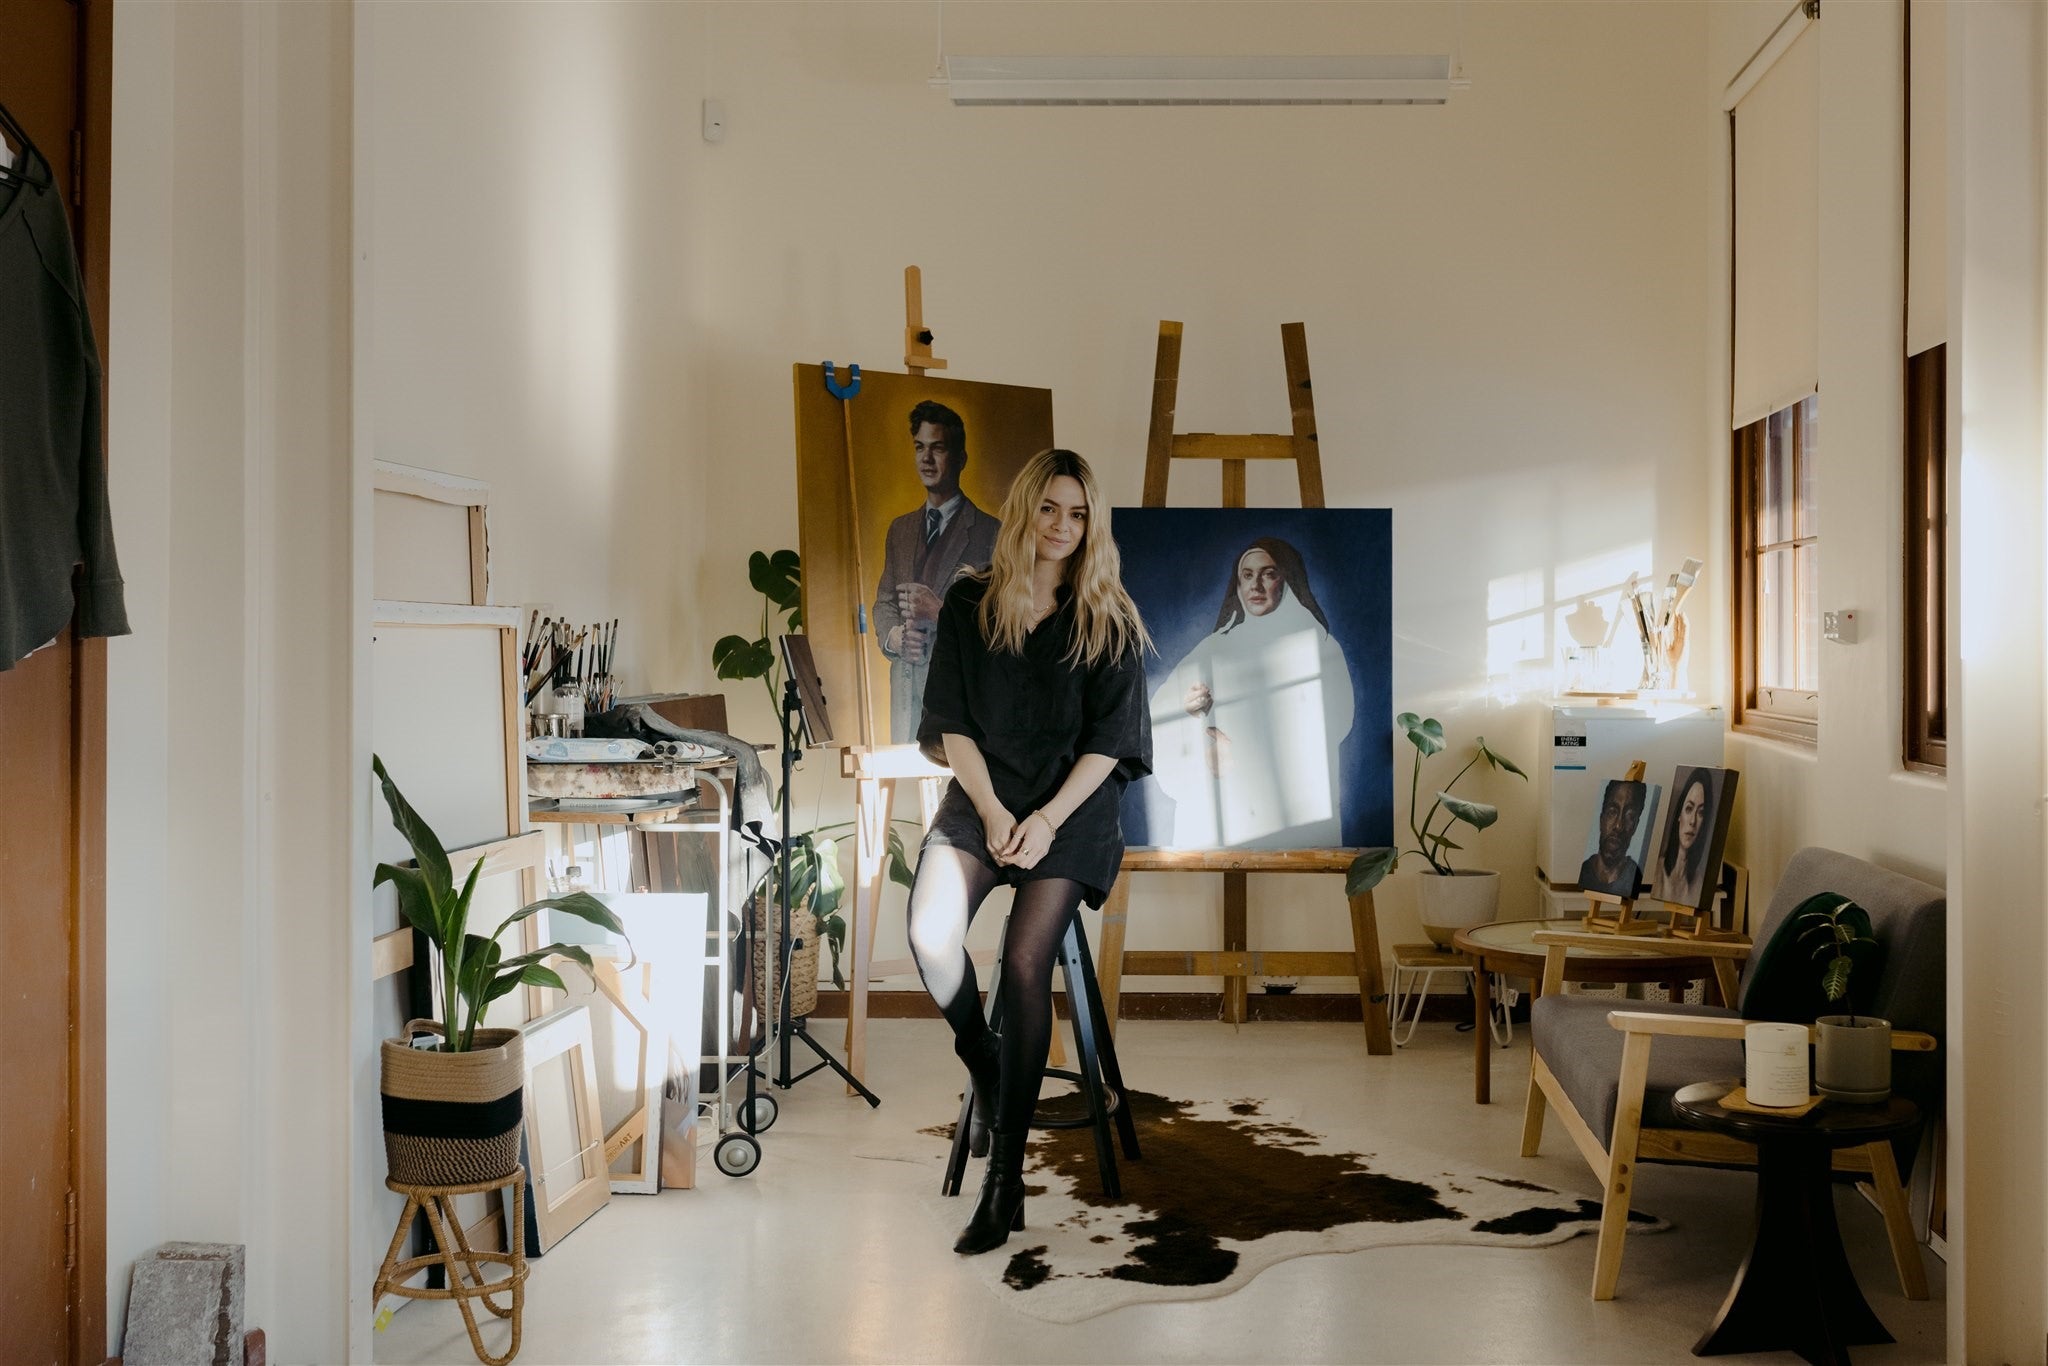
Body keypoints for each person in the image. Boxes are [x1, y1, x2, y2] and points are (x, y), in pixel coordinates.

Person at [906, 448, 1151, 1256]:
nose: (1061, 527)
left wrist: (1043, 821)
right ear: (1022, 510)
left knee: (1020, 966)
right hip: (985, 797)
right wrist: (994, 807)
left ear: (1093, 524)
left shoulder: (1108, 616)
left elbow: (1110, 747)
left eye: (1078, 513)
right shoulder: (972, 602)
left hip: (1072, 811)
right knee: (930, 933)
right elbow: (953, 726)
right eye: (1049, 508)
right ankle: (984, 1059)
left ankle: (1004, 1180)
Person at [1142, 538, 1354, 849]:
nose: (1255, 585)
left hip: (1290, 811)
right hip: (1224, 808)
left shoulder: (1319, 645)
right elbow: (1159, 712)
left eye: (1269, 573)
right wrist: (1186, 712)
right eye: (1247, 575)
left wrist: (1239, 748)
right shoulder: (1215, 646)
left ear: (1287, 580)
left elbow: (1335, 724)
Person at [873, 400, 1001, 743]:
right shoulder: (900, 529)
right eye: (920, 448)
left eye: (938, 448)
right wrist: (894, 638)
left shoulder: (992, 533)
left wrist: (941, 611)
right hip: (905, 690)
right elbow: (885, 602)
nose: (926, 459)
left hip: (961, 692)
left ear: (960, 459)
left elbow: (1000, 621)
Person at [1651, 768, 1717, 909]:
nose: (1693, 821)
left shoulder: (1699, 885)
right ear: (1679, 815)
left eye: (1700, 813)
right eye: (1688, 809)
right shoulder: (1656, 872)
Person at [1579, 780, 1647, 898]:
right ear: (1601, 819)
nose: (1618, 826)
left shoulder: (1634, 877)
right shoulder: (1585, 871)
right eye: (1612, 812)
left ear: (1635, 826)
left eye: (1629, 815)